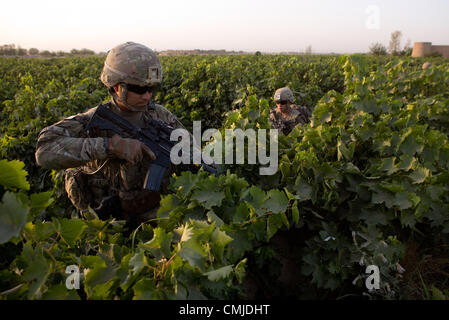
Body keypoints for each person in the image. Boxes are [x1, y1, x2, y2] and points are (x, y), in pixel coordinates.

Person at [35, 42, 187, 228]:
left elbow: (189, 150)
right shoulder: (92, 121)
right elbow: (44, 150)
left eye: (152, 89)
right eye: (139, 89)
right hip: (107, 227)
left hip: (157, 223)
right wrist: (111, 146)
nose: (147, 96)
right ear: (116, 86)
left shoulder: (162, 117)